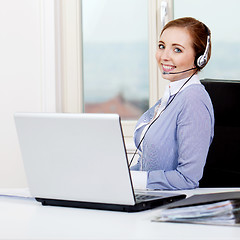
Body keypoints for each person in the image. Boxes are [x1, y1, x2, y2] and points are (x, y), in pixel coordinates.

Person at [130, 17, 214, 190]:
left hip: (170, 205)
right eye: (162, 46)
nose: (164, 56)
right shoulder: (171, 95)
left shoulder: (193, 100)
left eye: (177, 49)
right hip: (151, 196)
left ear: (200, 58)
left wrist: (131, 181)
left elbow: (187, 179)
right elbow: (147, 163)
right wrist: (117, 179)